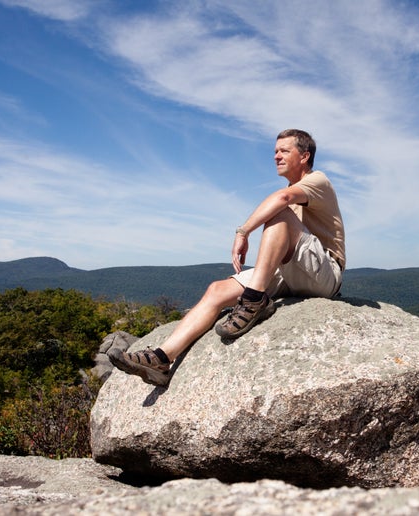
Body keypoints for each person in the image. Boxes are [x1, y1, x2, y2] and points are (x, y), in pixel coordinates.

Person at [108, 129, 345, 386]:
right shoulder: (293, 188)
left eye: (284, 151)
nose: (276, 156)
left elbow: (282, 199)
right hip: (290, 272)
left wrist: (243, 232)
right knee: (216, 290)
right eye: (275, 152)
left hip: (325, 275)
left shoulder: (318, 180)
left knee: (278, 213)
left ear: (305, 156)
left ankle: (254, 301)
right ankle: (163, 358)